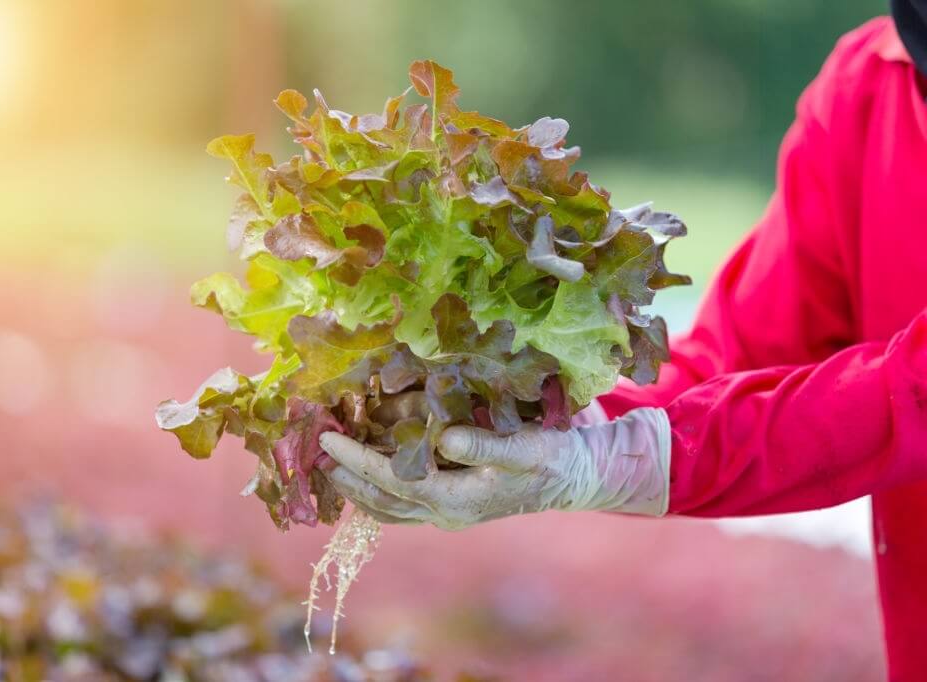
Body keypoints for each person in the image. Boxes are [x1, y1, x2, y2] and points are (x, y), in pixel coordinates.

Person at [318, 3, 927, 679]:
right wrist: (567, 419)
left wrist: (637, 461)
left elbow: (912, 392)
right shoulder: (871, 84)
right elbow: (740, 356)